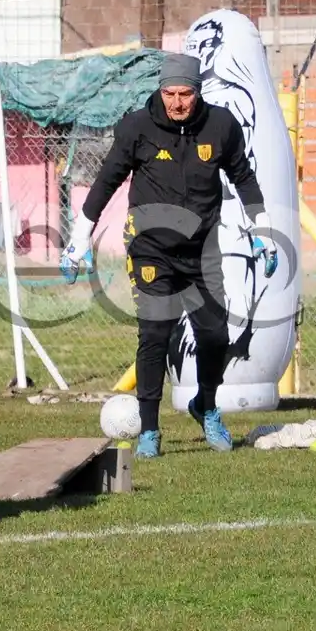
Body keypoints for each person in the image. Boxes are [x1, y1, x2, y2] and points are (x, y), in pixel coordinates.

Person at [61, 52, 277, 459]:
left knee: (215, 335)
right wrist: (78, 239)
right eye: (169, 93)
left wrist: (262, 233)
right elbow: (106, 181)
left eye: (185, 94)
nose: (177, 102)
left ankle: (206, 405)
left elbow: (244, 178)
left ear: (198, 92)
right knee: (155, 334)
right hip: (151, 250)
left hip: (201, 250)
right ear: (160, 91)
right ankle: (149, 430)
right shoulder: (137, 127)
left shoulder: (221, 126)